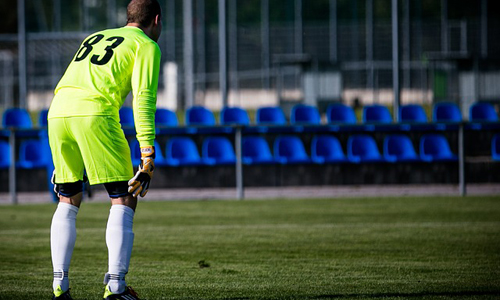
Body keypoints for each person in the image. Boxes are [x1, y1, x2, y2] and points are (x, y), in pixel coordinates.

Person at [47, 0, 162, 299]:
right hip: (95, 112)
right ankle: (116, 287)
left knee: (68, 197)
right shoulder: (146, 45)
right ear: (156, 20)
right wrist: (147, 153)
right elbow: (144, 100)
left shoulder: (94, 36)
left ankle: (60, 285)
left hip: (57, 111)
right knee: (124, 198)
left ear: (128, 17)